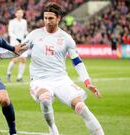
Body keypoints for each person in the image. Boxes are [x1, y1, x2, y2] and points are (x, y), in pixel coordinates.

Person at [20, 3, 104, 135]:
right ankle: (53, 128)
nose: (47, 21)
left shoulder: (66, 38)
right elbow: (17, 51)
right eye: (45, 18)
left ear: (58, 18)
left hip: (61, 80)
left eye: (51, 18)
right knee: (45, 99)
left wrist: (87, 82)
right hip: (40, 80)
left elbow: (77, 62)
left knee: (83, 108)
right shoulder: (34, 35)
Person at [6, 8, 29, 82]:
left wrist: (28, 36)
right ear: (15, 14)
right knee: (15, 59)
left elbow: (25, 31)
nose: (19, 14)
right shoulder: (12, 22)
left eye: (21, 13)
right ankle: (8, 73)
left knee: (23, 59)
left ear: (22, 14)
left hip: (22, 42)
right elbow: (10, 32)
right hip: (14, 43)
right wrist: (17, 38)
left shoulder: (24, 22)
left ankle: (19, 77)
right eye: (18, 13)